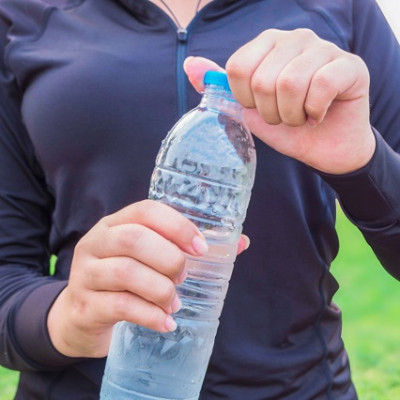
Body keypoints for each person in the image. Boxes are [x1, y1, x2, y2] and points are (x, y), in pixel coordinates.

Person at [0, 0, 399, 398]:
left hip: (300, 389)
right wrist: (67, 317)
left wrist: (364, 160)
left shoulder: (341, 8)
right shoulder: (22, 14)